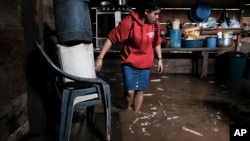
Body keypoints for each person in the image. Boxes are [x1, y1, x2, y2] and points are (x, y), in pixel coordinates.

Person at [95, 0, 163, 113]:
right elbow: (111, 39)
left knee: (140, 91)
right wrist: (100, 58)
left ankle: (135, 114)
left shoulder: (155, 25)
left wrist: (160, 59)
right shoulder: (129, 22)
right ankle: (128, 108)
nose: (157, 17)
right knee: (130, 91)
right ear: (146, 11)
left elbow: (156, 43)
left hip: (145, 62)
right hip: (129, 61)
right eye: (155, 14)